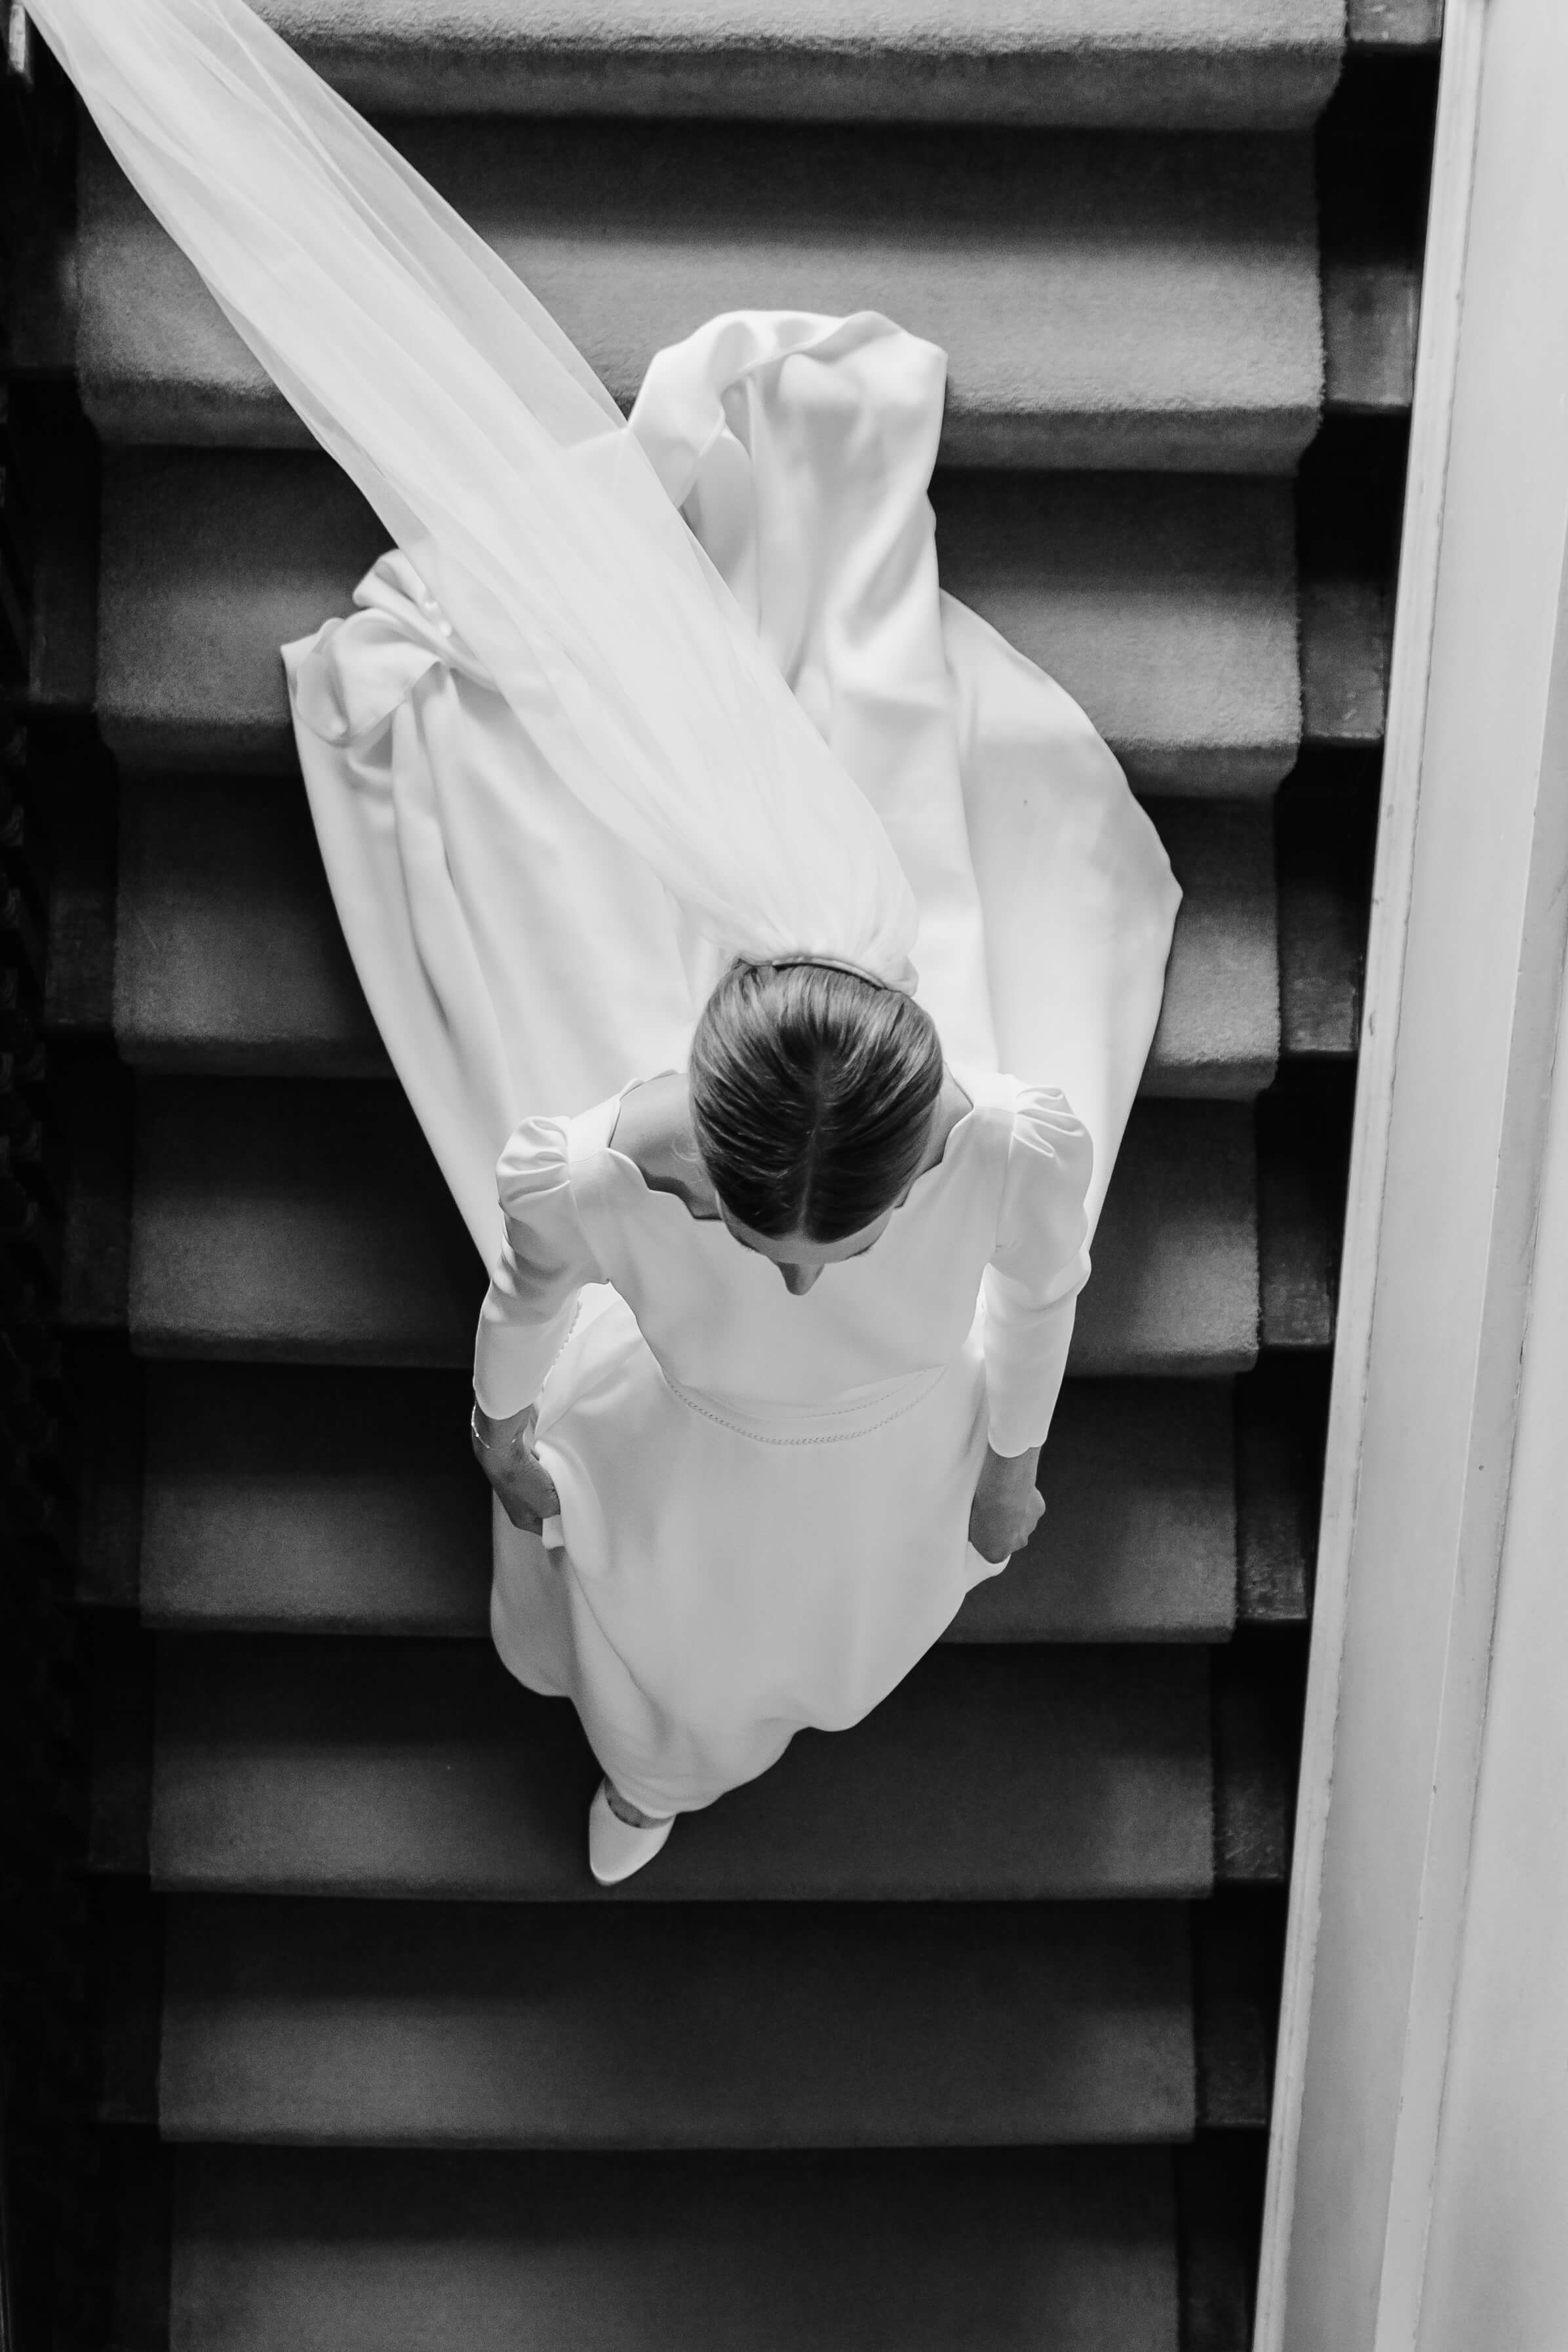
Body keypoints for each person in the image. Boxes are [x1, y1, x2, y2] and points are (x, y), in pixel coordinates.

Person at [29, 0, 1181, 1883]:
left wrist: (1002, 1462)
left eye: (840, 1234)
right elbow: (529, 1303)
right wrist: (497, 1423)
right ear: (703, 1142)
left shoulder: (1010, 1147)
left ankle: (683, 1755)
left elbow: (1037, 1298)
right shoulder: (589, 1174)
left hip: (891, 1463)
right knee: (662, 1647)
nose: (800, 1272)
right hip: (692, 1461)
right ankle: (653, 1770)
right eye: (761, 1225)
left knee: (809, 1624)